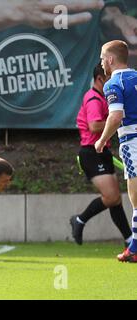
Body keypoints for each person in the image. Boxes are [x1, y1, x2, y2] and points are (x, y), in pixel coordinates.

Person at [70, 63, 132, 247]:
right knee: (112, 197)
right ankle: (79, 220)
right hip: (91, 152)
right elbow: (94, 126)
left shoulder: (103, 97)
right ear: (100, 79)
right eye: (109, 77)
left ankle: (130, 241)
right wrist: (117, 120)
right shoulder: (94, 99)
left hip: (102, 151)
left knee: (115, 199)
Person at [95, 40, 137, 262]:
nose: (101, 63)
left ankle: (134, 249)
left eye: (102, 58)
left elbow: (116, 115)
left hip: (132, 142)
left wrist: (102, 140)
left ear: (111, 59)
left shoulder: (113, 83)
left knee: (136, 198)